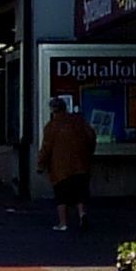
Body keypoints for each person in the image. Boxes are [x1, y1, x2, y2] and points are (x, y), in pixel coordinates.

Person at [38, 92, 99, 233]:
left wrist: (41, 164)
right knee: (80, 192)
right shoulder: (79, 121)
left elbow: (46, 147)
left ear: (53, 110)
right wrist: (88, 154)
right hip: (81, 165)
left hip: (61, 168)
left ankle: (63, 223)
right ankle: (82, 214)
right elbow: (91, 136)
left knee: (61, 196)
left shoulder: (52, 126)